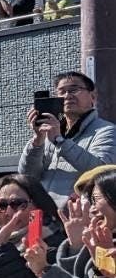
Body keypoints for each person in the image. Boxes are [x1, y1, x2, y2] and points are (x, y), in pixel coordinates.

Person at [22, 70, 116, 205]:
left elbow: (103, 172)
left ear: (93, 97)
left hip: (80, 217)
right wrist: (37, 141)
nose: (67, 96)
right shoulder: (49, 132)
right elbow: (28, 177)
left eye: (74, 90)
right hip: (45, 215)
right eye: (61, 92)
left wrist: (60, 141)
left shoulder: (106, 130)